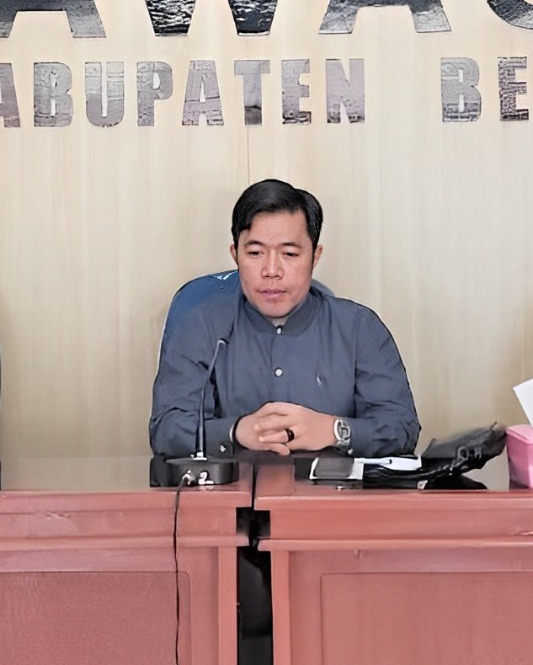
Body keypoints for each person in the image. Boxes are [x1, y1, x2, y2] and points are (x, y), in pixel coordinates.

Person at [149, 179, 421, 459]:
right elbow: (166, 430)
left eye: (289, 254)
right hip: (233, 486)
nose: (271, 270)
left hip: (332, 486)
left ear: (315, 256)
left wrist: (334, 430)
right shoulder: (201, 326)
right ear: (235, 255)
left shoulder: (359, 328)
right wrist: (235, 431)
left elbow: (402, 428)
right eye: (255, 253)